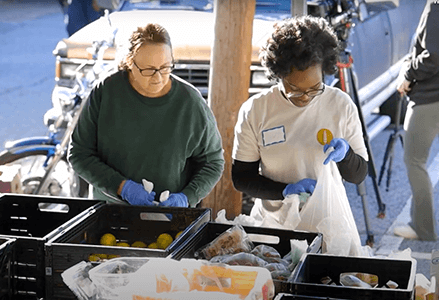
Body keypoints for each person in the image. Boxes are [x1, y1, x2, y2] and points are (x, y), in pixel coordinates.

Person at [232, 16, 368, 254]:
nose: (305, 97)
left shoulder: (341, 105)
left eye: (315, 89)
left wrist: (346, 154)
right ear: (279, 75)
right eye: (294, 90)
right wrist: (284, 190)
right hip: (274, 229)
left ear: (325, 71)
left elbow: (359, 174)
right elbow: (242, 177)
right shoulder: (256, 110)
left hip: (328, 227)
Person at [68, 23, 225, 208]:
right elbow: (79, 153)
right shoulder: (106, 92)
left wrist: (187, 197)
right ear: (129, 63)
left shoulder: (190, 103)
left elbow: (212, 162)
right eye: (148, 70)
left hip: (170, 217)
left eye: (165, 67)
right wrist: (121, 187)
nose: (158, 77)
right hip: (109, 211)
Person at [394, 0, 438, 241]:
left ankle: (423, 228)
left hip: (430, 97)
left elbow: (433, 56)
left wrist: (408, 75)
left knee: (414, 161)